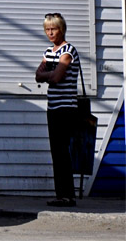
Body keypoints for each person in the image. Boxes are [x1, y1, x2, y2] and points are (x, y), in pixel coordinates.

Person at [34, 12, 81, 207]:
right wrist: (50, 74)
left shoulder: (68, 51)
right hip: (52, 107)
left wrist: (49, 73)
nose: (50, 33)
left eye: (53, 29)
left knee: (62, 151)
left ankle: (68, 196)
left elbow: (55, 78)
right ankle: (60, 194)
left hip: (66, 108)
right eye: (47, 29)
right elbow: (37, 75)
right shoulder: (49, 51)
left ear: (62, 29)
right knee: (56, 151)